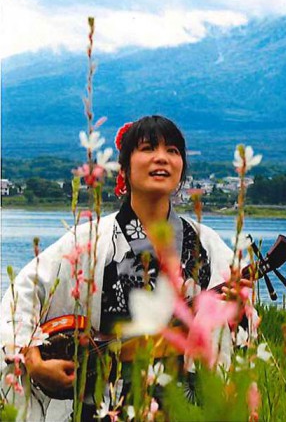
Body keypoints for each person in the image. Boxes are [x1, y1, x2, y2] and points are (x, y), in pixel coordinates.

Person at [0, 116, 237, 421]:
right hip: (103, 404)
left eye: (173, 150)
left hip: (185, 405)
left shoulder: (207, 244)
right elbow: (24, 293)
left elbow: (235, 328)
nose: (161, 157)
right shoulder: (90, 240)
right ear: (124, 168)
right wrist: (32, 359)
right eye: (148, 148)